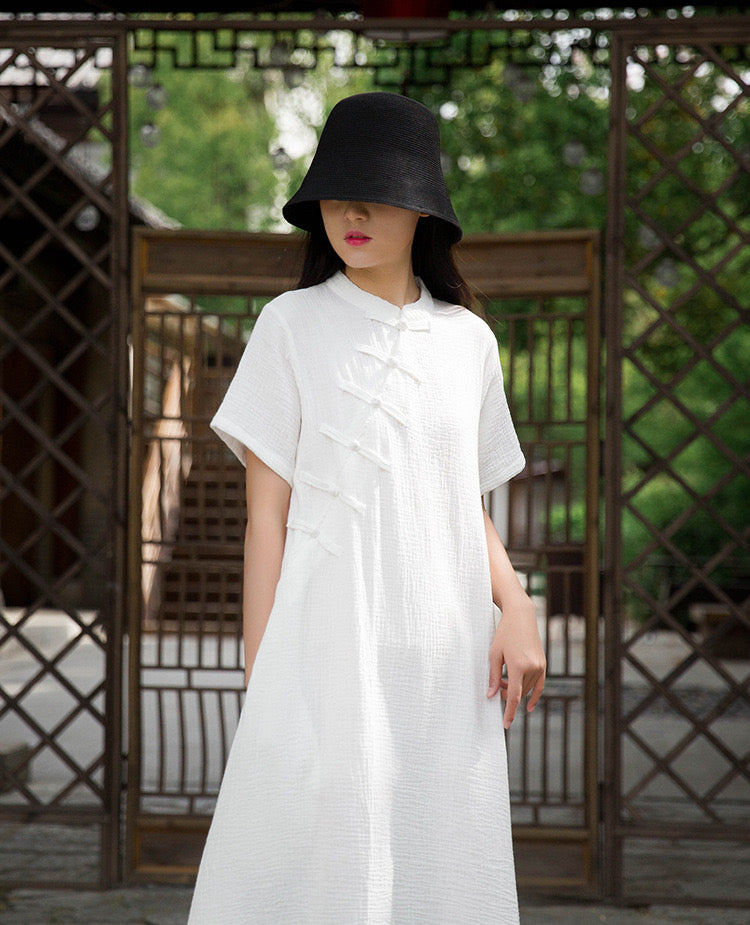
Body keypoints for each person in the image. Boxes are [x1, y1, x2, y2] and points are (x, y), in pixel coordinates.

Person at [188, 91, 546, 925]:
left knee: (438, 862)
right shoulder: (290, 325)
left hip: (442, 655)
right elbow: (266, 517)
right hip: (323, 646)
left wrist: (517, 602)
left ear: (423, 209)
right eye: (337, 195)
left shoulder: (469, 342)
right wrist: (261, 671)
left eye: (377, 195)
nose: (351, 214)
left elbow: (459, 501)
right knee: (315, 870)